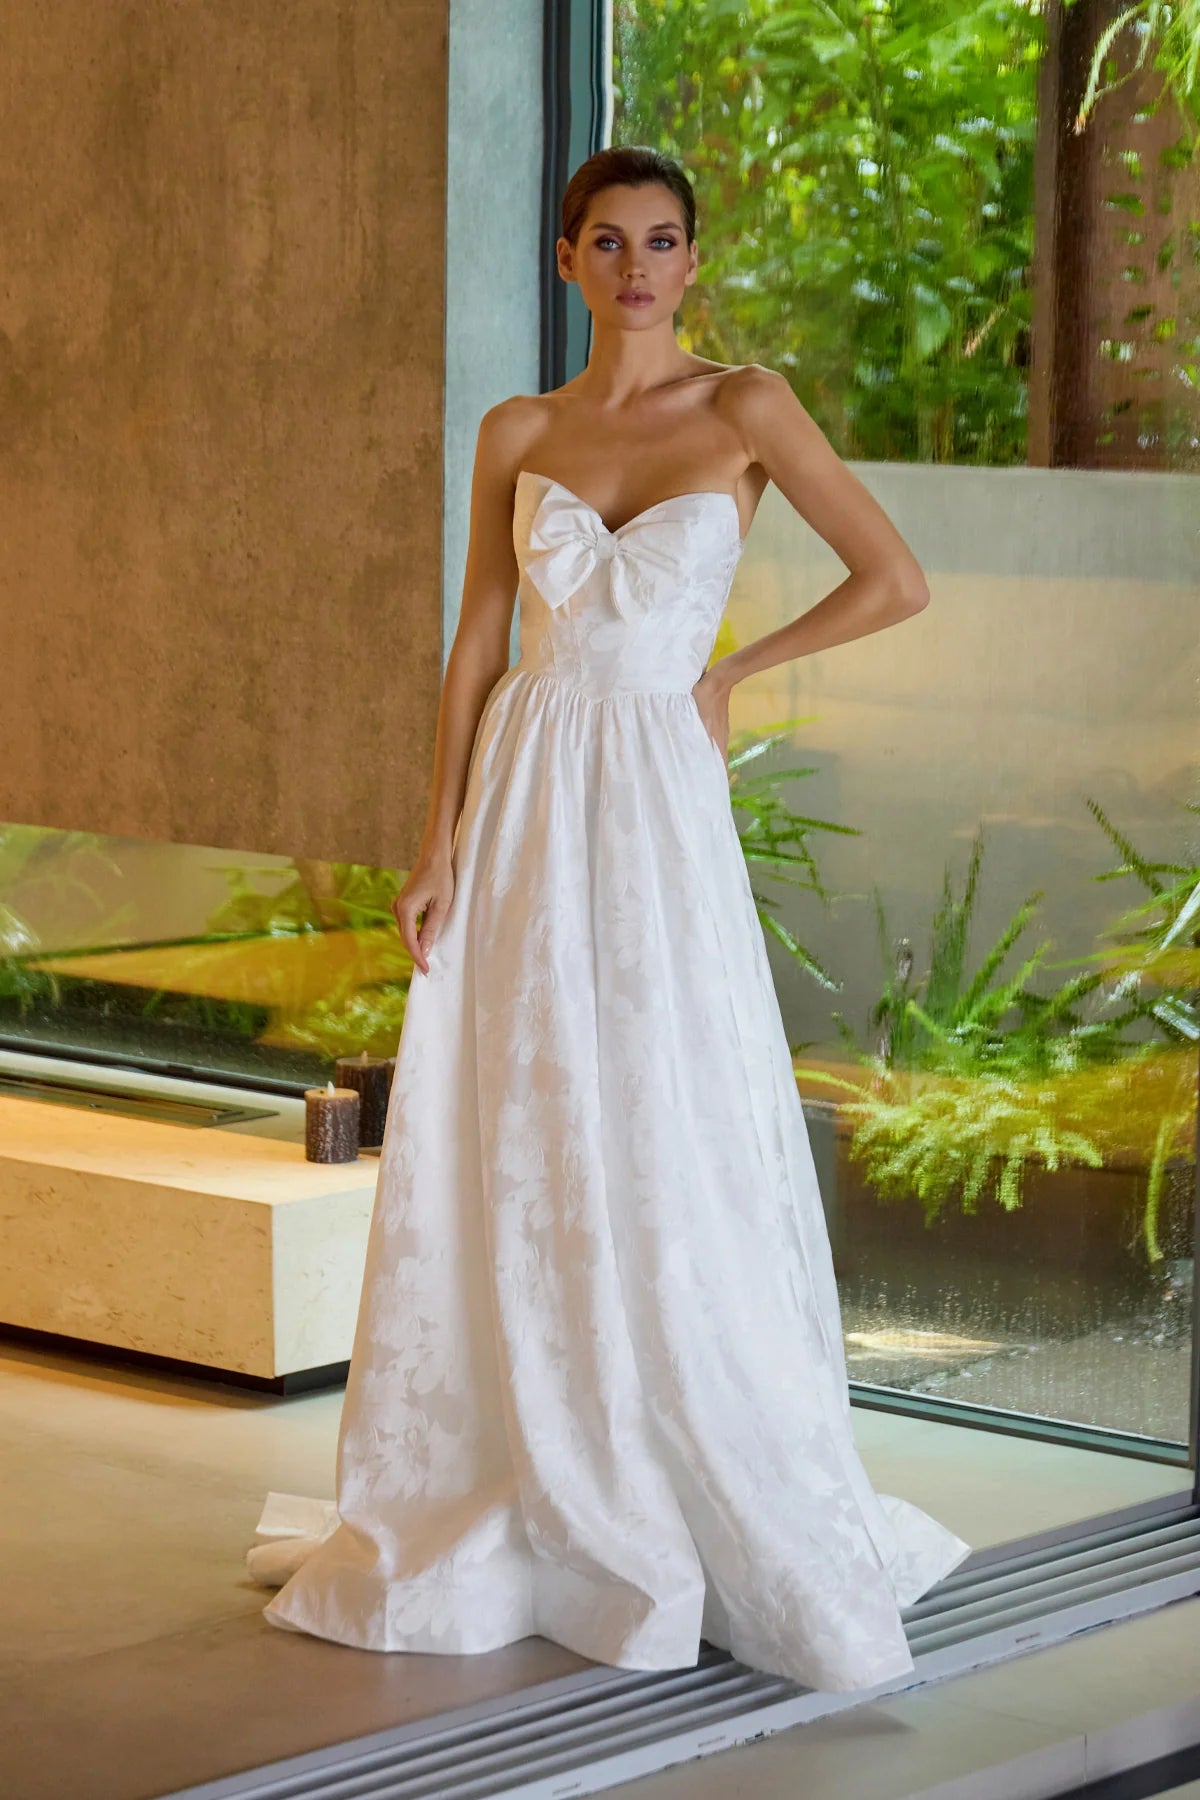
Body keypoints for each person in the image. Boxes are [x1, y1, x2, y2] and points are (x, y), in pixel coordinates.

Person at [245, 144, 971, 1695]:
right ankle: (532, 1446)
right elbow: (474, 648)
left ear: (692, 262)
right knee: (528, 1107)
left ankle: (678, 1445)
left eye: (663, 242)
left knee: (665, 1101)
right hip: (522, 797)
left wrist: (721, 673)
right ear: (566, 261)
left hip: (652, 797)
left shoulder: (747, 407)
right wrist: (433, 837)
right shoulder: (518, 430)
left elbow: (895, 578)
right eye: (608, 242)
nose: (638, 267)